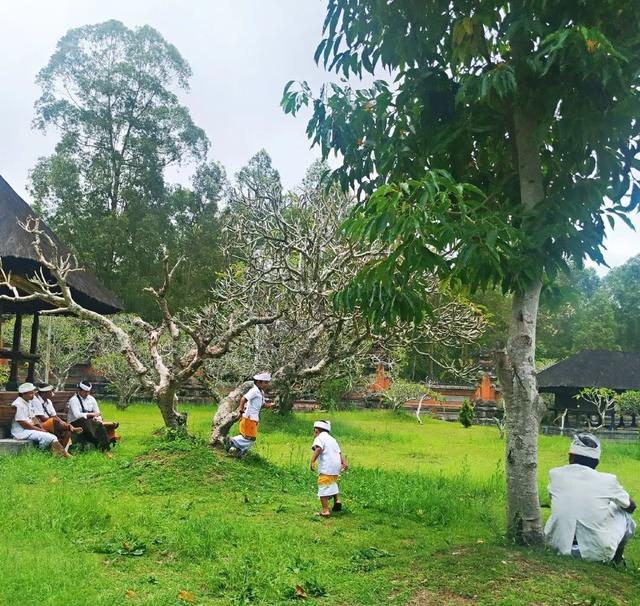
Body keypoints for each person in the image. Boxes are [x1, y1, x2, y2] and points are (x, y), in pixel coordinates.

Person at [545, 433, 636, 564]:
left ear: (570, 456)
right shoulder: (608, 480)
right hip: (594, 554)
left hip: (557, 547)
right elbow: (630, 507)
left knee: (568, 507)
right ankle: (618, 559)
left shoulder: (555, 474)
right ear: (596, 462)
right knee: (623, 514)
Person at [10, 382, 69, 457]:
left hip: (29, 429)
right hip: (21, 431)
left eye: (33, 393)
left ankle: (58, 454)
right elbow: (23, 424)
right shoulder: (18, 404)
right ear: (23, 394)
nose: (33, 395)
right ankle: (42, 453)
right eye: (31, 393)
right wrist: (40, 430)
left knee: (51, 436)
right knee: (48, 437)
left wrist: (41, 428)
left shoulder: (28, 402)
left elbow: (34, 418)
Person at [225, 372, 274, 457]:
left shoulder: (260, 392)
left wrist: (271, 405)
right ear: (258, 382)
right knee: (249, 438)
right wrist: (240, 410)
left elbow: (263, 404)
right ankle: (231, 441)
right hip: (249, 418)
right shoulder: (254, 391)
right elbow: (244, 398)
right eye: (265, 382)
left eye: (267, 382)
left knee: (246, 437)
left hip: (253, 418)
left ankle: (237, 453)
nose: (267, 384)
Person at [67, 381, 118, 456]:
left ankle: (106, 449)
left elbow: (98, 413)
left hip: (91, 422)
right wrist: (91, 415)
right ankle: (98, 444)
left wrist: (98, 418)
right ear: (80, 390)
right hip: (75, 422)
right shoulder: (73, 400)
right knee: (87, 422)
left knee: (99, 425)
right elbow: (77, 415)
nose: (87, 394)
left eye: (88, 392)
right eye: (85, 392)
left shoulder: (91, 399)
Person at [310, 420, 348, 517]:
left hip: (326, 466)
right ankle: (337, 500)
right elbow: (339, 452)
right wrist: (344, 463)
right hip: (336, 466)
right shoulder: (332, 439)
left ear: (316, 430)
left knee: (323, 485)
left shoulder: (319, 438)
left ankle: (325, 510)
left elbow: (318, 449)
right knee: (331, 482)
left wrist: (312, 461)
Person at [32, 383, 82, 448]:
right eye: (50, 392)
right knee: (54, 421)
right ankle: (70, 427)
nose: (52, 393)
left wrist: (62, 423)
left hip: (52, 422)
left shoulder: (49, 401)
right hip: (41, 424)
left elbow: (55, 416)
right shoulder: (36, 401)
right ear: (43, 393)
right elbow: (42, 418)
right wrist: (56, 422)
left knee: (68, 431)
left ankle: (62, 449)